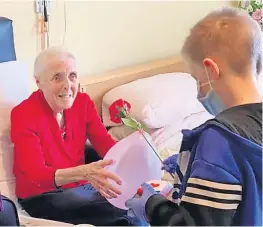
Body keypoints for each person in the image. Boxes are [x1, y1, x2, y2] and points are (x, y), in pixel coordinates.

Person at [125, 7, 262, 226]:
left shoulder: (219, 141)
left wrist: (153, 205)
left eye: (197, 79)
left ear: (210, 70)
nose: (198, 92)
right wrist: (191, 170)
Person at [10, 47, 134, 226]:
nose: (67, 84)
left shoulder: (83, 103)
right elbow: (34, 175)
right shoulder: (23, 114)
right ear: (38, 82)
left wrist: (135, 155)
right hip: (41, 195)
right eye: (57, 77)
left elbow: (105, 144)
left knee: (133, 197)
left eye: (72, 76)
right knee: (122, 207)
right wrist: (84, 172)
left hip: (80, 187)